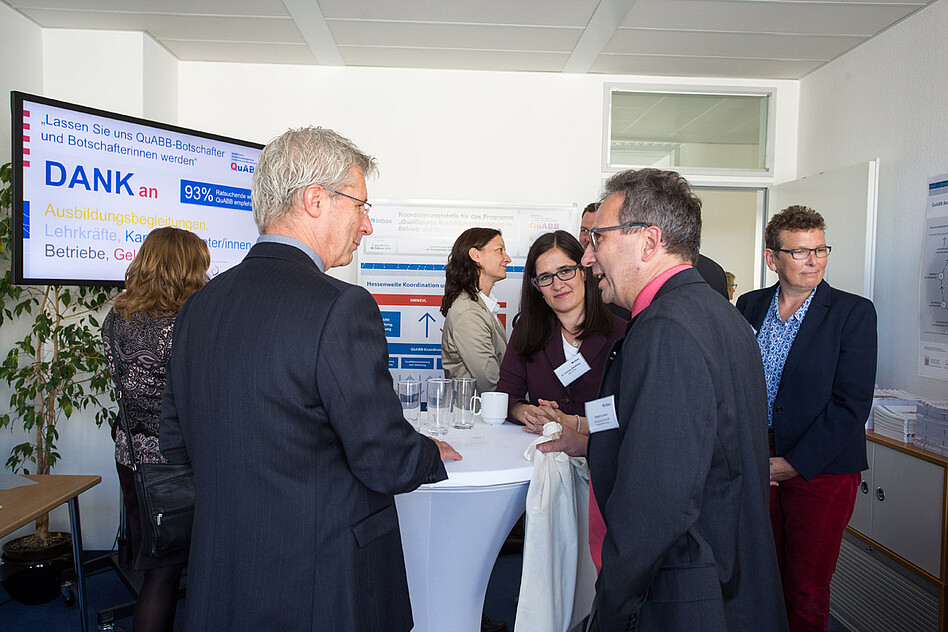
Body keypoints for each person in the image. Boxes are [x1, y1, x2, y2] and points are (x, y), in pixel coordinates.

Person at [159, 127, 460, 632]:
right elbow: (384, 460)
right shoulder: (341, 307)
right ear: (315, 200)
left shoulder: (198, 307)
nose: (367, 225)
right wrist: (429, 453)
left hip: (220, 581)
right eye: (361, 205)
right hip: (319, 587)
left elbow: (175, 443)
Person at [542, 168, 787, 632]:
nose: (588, 258)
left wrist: (610, 608)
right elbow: (696, 452)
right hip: (728, 579)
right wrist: (594, 445)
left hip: (682, 595)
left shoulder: (666, 331)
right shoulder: (718, 314)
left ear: (649, 241)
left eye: (598, 239)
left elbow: (656, 503)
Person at [736, 205, 877, 632]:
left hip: (821, 469)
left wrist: (792, 464)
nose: (813, 260)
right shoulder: (749, 305)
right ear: (772, 258)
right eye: (799, 252)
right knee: (760, 578)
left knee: (805, 590)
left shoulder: (852, 313)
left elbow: (851, 404)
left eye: (820, 250)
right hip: (758, 459)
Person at [102, 226, 210, 632]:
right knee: (169, 572)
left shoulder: (116, 318)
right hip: (176, 465)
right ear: (185, 268)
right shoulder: (186, 324)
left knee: (156, 566)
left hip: (131, 458)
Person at [496, 230, 624, 435]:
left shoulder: (621, 334)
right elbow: (506, 396)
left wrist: (570, 423)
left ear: (583, 272)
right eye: (546, 277)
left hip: (597, 451)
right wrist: (529, 413)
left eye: (565, 271)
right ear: (537, 286)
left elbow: (626, 413)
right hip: (541, 450)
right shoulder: (526, 330)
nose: (557, 285)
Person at [440, 227, 511, 394]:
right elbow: (491, 383)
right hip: (477, 410)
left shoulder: (479, 306)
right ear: (476, 255)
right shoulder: (469, 313)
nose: (507, 259)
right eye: (499, 250)